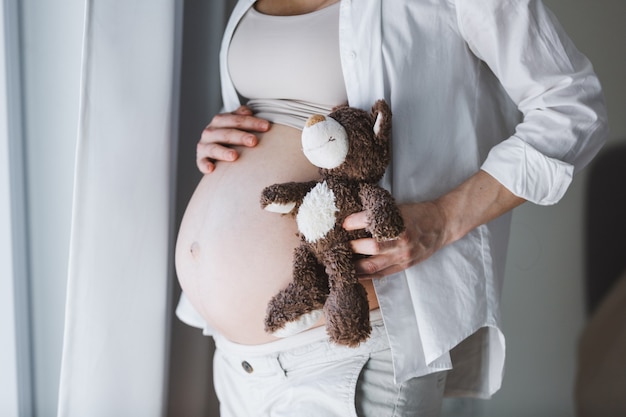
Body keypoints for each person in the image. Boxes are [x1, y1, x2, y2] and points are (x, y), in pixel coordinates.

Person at [174, 0, 608, 416]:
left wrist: (443, 219)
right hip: (238, 360)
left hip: (344, 355)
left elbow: (571, 108)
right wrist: (224, 131)